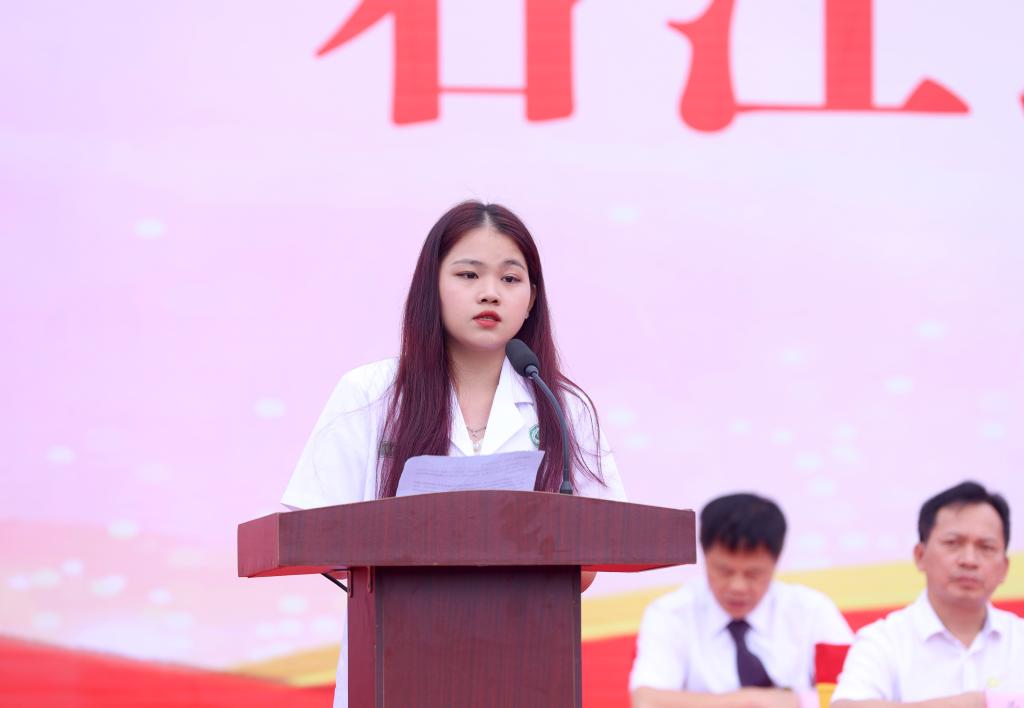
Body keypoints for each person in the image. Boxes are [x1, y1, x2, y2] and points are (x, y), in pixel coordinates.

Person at [280, 200, 627, 707]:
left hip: (525, 667)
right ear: (432, 286)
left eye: (511, 279)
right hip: (396, 663)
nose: (490, 292)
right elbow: (316, 532)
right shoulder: (370, 393)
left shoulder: (562, 406)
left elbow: (599, 548)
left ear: (531, 299)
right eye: (469, 274)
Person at [630, 493, 853, 708]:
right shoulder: (671, 613)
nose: (738, 587)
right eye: (724, 571)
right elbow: (648, 701)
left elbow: (853, 696)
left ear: (775, 562)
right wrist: (759, 701)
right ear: (705, 556)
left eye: (753, 574)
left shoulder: (812, 610)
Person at [831, 481, 1023, 708]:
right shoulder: (883, 641)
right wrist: (975, 703)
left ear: (1004, 568)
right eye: (953, 543)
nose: (969, 560)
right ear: (920, 555)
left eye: (986, 547)